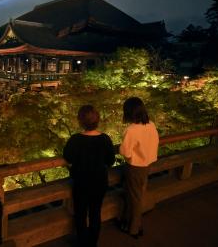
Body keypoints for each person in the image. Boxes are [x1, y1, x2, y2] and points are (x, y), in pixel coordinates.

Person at [63, 105, 115, 246]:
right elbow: (110, 161)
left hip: (81, 182)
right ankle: (93, 242)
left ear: (80, 121)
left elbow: (67, 157)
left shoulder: (75, 140)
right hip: (99, 182)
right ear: (97, 120)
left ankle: (81, 242)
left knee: (80, 214)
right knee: (95, 213)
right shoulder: (105, 139)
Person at [119, 97, 159, 238]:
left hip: (135, 167)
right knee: (136, 194)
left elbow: (125, 152)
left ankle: (135, 228)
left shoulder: (131, 130)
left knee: (135, 198)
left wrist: (126, 153)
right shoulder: (151, 125)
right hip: (147, 164)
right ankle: (127, 222)